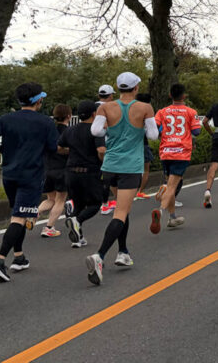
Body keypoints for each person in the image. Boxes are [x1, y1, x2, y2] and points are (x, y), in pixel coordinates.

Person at [84, 72, 158, 286]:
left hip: (109, 166)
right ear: (135, 88)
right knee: (121, 212)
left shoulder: (105, 107)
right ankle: (99, 256)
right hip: (130, 166)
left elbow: (95, 130)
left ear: (118, 89)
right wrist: (140, 126)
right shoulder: (144, 108)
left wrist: (111, 127)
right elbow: (153, 136)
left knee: (122, 211)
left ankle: (123, 252)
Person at [0, 83, 58, 282]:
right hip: (32, 175)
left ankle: (19, 256)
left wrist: (4, 151)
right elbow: (53, 147)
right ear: (38, 100)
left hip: (9, 174)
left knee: (17, 214)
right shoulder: (45, 122)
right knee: (20, 217)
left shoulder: (5, 119)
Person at [152, 83, 201, 233]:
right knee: (172, 187)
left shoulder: (162, 112)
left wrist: (164, 133)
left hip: (165, 151)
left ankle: (172, 217)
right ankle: (160, 211)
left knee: (170, 184)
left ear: (170, 96)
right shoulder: (191, 112)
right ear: (184, 96)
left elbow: (154, 128)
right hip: (181, 151)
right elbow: (197, 131)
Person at [58, 100, 105, 248]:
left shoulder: (70, 130)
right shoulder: (95, 130)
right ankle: (77, 221)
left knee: (78, 204)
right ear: (94, 114)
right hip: (89, 172)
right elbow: (101, 151)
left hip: (71, 172)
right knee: (96, 203)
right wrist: (103, 161)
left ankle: (78, 238)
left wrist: (72, 151)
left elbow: (59, 148)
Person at [36, 104, 71, 238]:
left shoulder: (48, 131)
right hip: (62, 169)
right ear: (69, 116)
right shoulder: (69, 132)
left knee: (50, 198)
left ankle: (35, 212)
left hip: (47, 168)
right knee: (60, 200)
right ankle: (49, 227)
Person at [97, 85, 117, 215]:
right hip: (107, 143)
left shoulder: (92, 106)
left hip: (90, 144)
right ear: (110, 96)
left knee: (98, 174)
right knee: (107, 176)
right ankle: (105, 204)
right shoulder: (111, 108)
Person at [135, 92, 155, 200]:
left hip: (130, 144)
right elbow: (152, 133)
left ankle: (129, 191)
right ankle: (140, 192)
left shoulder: (130, 111)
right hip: (143, 143)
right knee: (146, 169)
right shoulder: (147, 112)